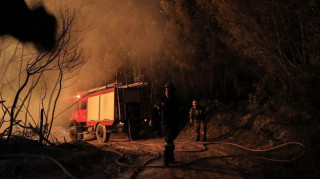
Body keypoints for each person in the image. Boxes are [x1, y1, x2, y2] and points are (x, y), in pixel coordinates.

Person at [159, 82, 185, 166]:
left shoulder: (177, 101)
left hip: (174, 124)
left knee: (168, 141)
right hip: (164, 124)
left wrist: (182, 124)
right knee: (169, 141)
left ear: (173, 92)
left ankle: (166, 159)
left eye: (169, 90)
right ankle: (171, 157)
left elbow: (182, 114)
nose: (167, 92)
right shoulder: (161, 100)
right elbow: (156, 111)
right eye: (166, 90)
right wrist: (152, 120)